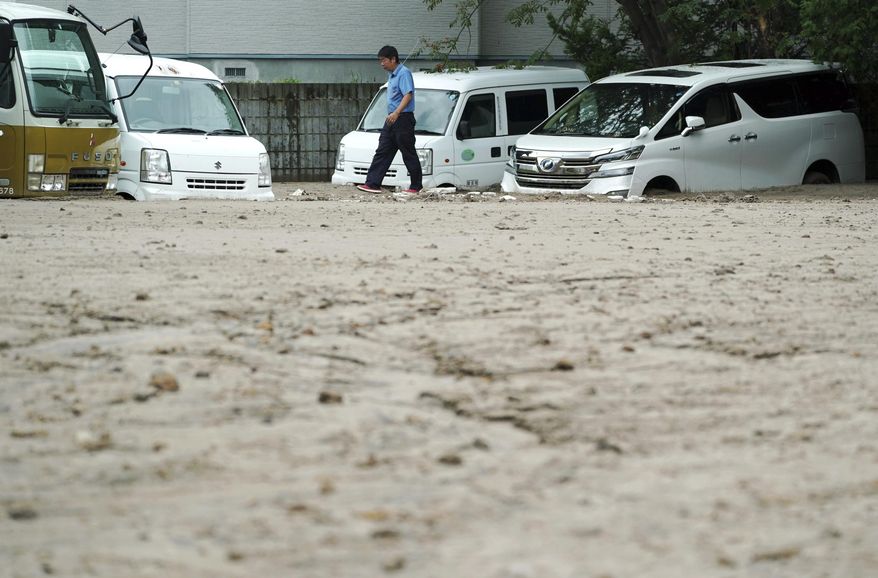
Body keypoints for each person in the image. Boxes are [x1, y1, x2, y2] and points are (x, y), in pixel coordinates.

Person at [356, 46, 422, 194]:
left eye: (384, 60)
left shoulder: (404, 73)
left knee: (408, 152)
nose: (382, 64)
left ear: (393, 59)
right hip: (392, 117)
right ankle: (372, 183)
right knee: (383, 150)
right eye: (380, 61)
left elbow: (408, 95)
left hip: (402, 117)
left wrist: (397, 112)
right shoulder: (392, 75)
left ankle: (416, 186)